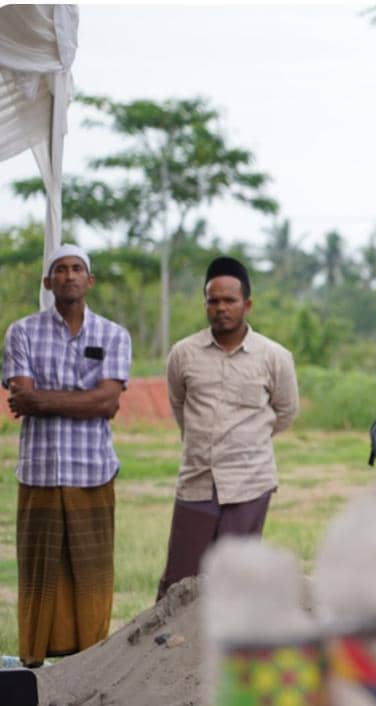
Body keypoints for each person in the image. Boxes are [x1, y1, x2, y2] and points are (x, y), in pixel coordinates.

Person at [2, 243, 132, 667]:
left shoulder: (113, 335)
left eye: (77, 269)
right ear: (47, 282)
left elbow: (107, 403)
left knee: (92, 571)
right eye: (60, 269)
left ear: (90, 281)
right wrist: (84, 398)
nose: (69, 275)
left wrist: (41, 400)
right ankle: (35, 663)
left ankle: (91, 664)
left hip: (93, 470)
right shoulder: (21, 332)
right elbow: (20, 394)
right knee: (40, 573)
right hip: (39, 472)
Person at [156, 256, 299, 599]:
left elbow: (286, 411)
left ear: (246, 304)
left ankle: (225, 650)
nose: (221, 308)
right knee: (180, 581)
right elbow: (180, 407)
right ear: (205, 303)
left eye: (230, 300)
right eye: (213, 300)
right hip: (197, 482)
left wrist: (246, 442)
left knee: (236, 581)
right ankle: (169, 652)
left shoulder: (274, 357)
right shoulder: (184, 354)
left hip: (250, 483)